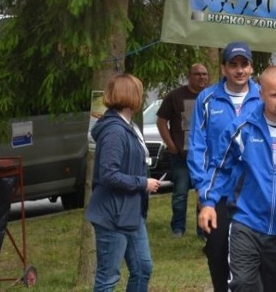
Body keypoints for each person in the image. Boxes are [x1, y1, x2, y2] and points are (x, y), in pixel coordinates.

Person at [198, 66, 276, 292]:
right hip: (247, 221)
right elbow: (220, 167)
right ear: (261, 94)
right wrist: (209, 202)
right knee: (243, 283)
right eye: (274, 95)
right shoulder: (242, 129)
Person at [188, 42, 261, 292]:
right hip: (216, 189)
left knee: (252, 257)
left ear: (251, 67)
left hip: (253, 191)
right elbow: (198, 145)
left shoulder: (263, 97)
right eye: (233, 65)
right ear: (223, 68)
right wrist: (202, 187)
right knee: (217, 252)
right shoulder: (207, 99)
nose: (239, 70)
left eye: (244, 64)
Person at [86, 74, 161, 291]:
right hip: (112, 215)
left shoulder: (126, 125)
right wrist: (142, 183)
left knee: (143, 268)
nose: (143, 96)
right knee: (108, 277)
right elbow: (108, 174)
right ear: (131, 96)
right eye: (140, 91)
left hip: (131, 212)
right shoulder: (115, 131)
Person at [157, 63, 209, 238]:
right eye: (197, 74)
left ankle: (203, 230)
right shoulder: (175, 96)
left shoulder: (211, 96)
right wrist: (171, 145)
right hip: (182, 157)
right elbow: (161, 121)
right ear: (189, 75)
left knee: (203, 195)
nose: (201, 77)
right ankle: (178, 228)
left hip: (204, 157)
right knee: (180, 194)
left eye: (204, 74)